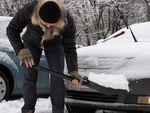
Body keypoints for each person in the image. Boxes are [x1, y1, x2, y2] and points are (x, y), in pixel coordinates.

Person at [6, 0, 83, 113]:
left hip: (54, 44)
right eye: (45, 22)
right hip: (32, 42)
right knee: (29, 76)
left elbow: (70, 47)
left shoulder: (67, 20)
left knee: (58, 78)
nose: (47, 26)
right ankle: (28, 109)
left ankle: (58, 111)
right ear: (38, 16)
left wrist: (73, 71)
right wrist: (21, 50)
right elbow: (12, 29)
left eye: (52, 24)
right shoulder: (29, 9)